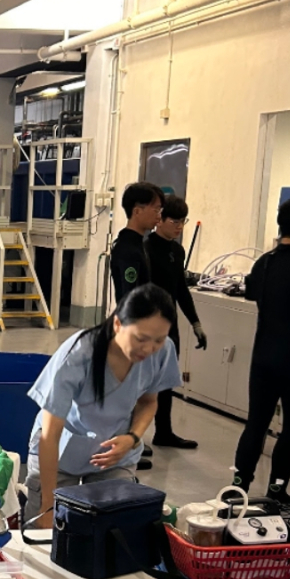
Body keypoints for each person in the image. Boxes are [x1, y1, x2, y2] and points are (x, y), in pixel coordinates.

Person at [24, 284, 181, 527]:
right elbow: (50, 435)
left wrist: (132, 438)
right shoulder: (79, 354)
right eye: (141, 338)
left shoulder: (163, 352)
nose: (149, 349)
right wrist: (47, 506)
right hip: (61, 453)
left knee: (114, 531)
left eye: (159, 340)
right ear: (118, 324)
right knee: (48, 534)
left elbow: (148, 402)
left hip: (114, 455)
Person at [230, 199, 290, 508]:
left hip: (263, 358)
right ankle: (276, 490)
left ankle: (239, 488)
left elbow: (253, 294)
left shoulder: (263, 263)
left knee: (255, 425)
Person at [109, 181, 165, 469]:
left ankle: (132, 444)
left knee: (140, 391)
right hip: (131, 333)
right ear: (137, 210)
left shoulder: (138, 245)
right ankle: (124, 449)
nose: (159, 214)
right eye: (155, 209)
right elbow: (130, 298)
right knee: (128, 394)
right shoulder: (128, 250)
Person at [144, 195, 207, 449]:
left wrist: (195, 323)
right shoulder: (146, 248)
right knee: (143, 382)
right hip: (148, 326)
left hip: (171, 326)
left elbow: (181, 289)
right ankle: (134, 435)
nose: (179, 227)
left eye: (183, 222)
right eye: (174, 221)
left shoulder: (177, 251)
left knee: (166, 380)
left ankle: (164, 432)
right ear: (160, 220)